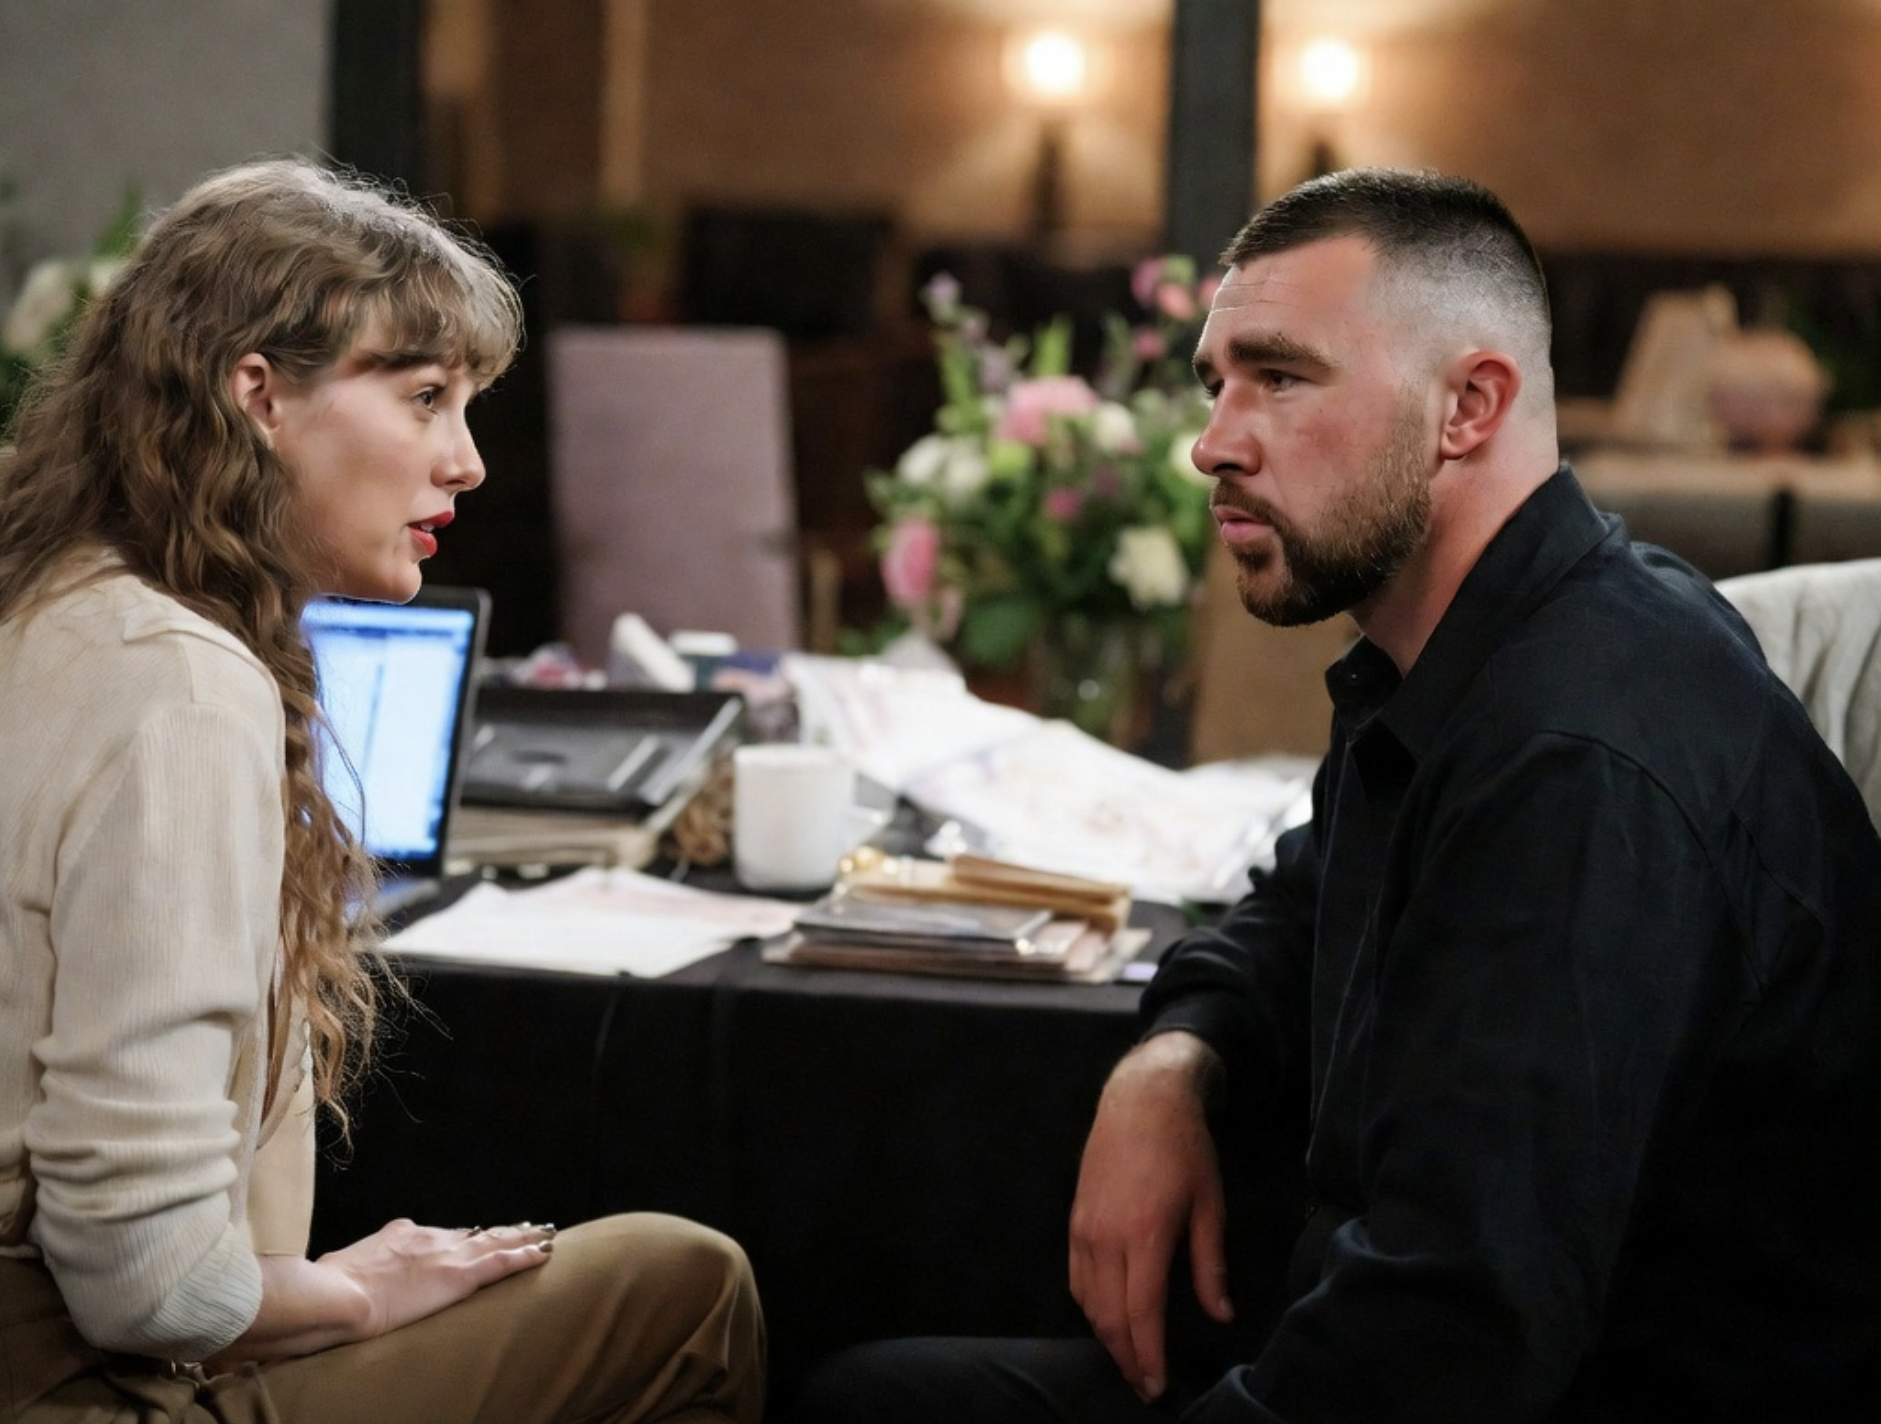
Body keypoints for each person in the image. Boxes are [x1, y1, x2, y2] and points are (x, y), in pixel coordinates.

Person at [786, 168, 1881, 1421]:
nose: (1214, 442)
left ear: (1469, 404)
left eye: (1280, 377)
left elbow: (1452, 1333)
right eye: (1217, 383)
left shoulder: (1576, 753)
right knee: (872, 1382)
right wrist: (1175, 1056)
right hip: (1382, 1323)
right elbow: (1305, 898)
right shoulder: (1476, 644)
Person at [0, 157, 764, 1423]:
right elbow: (152, 1284)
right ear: (259, 395)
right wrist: (357, 1291)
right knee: (687, 1283)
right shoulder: (180, 685)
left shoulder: (1, 611)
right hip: (16, 1383)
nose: (466, 461)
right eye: (426, 397)